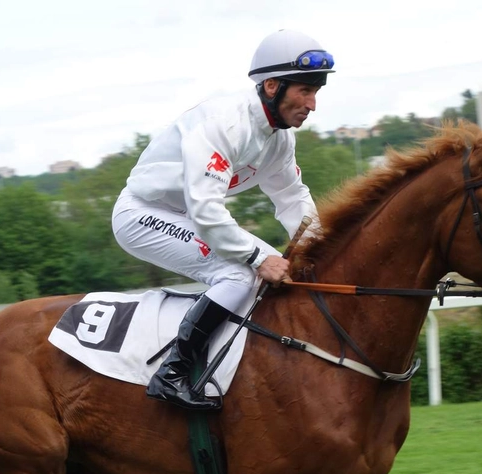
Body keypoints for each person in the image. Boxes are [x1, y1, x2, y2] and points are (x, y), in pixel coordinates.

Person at [112, 29, 332, 411]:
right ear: (272, 86)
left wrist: (322, 247)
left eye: (316, 92)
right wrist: (260, 259)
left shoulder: (278, 139)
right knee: (242, 273)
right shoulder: (225, 124)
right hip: (143, 215)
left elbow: (291, 198)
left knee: (285, 272)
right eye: (305, 91)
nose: (312, 105)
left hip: (191, 217)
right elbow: (208, 211)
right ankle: (172, 374)